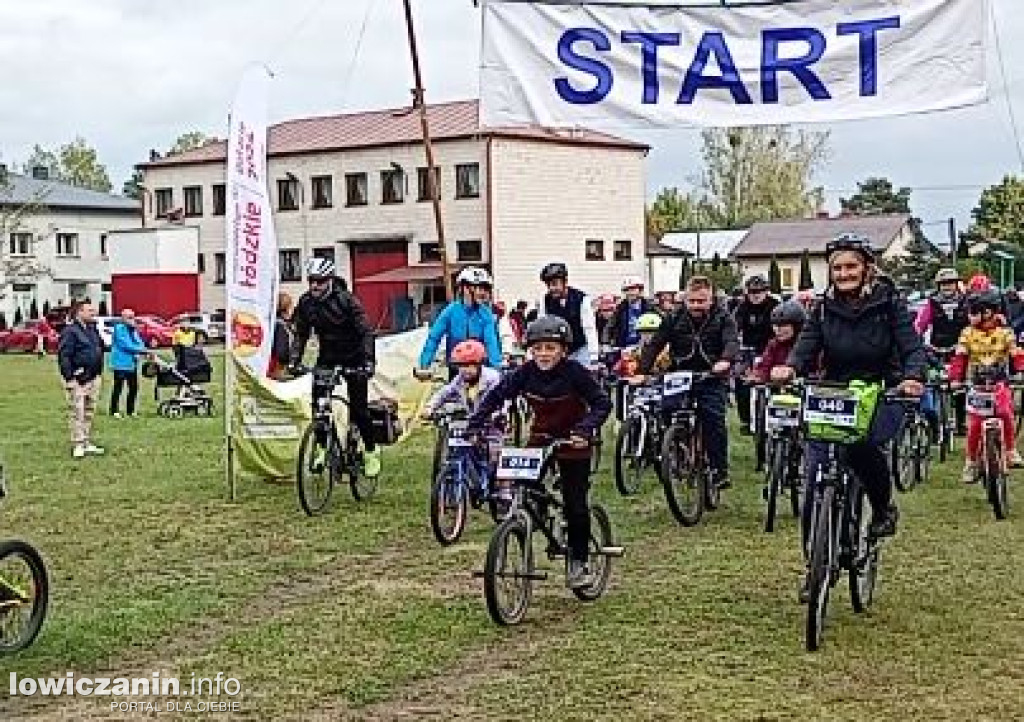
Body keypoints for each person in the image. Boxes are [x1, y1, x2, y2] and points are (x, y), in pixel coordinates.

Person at [772, 234, 925, 586]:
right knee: (814, 472)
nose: (843, 274)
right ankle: (816, 564)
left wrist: (913, 377)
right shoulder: (823, 308)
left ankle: (883, 509)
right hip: (835, 391)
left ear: (867, 268)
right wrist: (791, 367)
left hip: (883, 390)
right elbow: (806, 345)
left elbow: (912, 348)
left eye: (850, 266)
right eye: (837, 268)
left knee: (862, 447)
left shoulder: (890, 304)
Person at [468, 316, 611, 588]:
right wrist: (475, 425)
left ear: (564, 350)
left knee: (575, 503)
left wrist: (584, 430)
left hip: (573, 441)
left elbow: (602, 404)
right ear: (530, 350)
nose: (543, 354)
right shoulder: (524, 373)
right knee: (523, 487)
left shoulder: (576, 374)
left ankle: (579, 561)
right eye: (538, 348)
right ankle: (531, 519)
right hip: (541, 438)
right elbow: (495, 396)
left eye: (550, 348)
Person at [635, 276, 738, 488]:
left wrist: (725, 360)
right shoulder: (673, 317)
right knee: (666, 411)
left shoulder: (723, 317)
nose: (696, 306)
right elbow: (654, 345)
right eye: (692, 301)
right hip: (680, 375)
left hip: (711, 375)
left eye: (701, 301)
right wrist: (642, 371)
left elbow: (731, 341)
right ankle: (675, 450)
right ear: (685, 300)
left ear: (711, 299)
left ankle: (719, 470)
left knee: (713, 419)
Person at [289, 257, 382, 478]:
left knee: (359, 409)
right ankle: (321, 447)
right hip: (328, 357)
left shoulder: (347, 301)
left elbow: (365, 332)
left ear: (329, 280)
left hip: (355, 357)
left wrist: (368, 362)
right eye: (311, 281)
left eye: (319, 281)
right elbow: (301, 334)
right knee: (319, 405)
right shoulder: (306, 303)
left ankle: (370, 449)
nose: (314, 286)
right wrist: (295, 360)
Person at [948, 289, 1024, 483]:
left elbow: (1015, 354)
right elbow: (960, 358)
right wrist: (956, 379)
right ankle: (971, 462)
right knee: (974, 425)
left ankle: (1010, 449)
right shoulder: (967, 333)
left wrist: (1020, 371)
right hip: (977, 386)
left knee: (1006, 413)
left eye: (974, 312)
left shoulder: (1005, 333)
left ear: (989, 312)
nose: (970, 316)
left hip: (1000, 383)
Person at [421, 340, 509, 505]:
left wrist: (497, 415)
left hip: (492, 422)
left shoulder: (492, 378)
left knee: (496, 456)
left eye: (470, 365)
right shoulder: (459, 380)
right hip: (471, 422)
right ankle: (453, 489)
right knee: (458, 449)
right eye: (461, 366)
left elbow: (501, 399)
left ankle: (503, 492)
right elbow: (444, 393)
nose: (465, 370)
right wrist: (430, 408)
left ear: (480, 364)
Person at [417, 267, 501, 378]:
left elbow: (491, 342)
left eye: (485, 289)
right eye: (479, 288)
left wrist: (496, 367)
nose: (483, 293)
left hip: (479, 370)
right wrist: (424, 365)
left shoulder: (486, 314)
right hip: (456, 369)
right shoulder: (450, 311)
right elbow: (434, 338)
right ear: (465, 288)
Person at [915, 267, 969, 435]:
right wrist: (915, 338)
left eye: (950, 284)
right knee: (933, 383)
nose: (947, 287)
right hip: (936, 349)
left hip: (960, 349)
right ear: (938, 286)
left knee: (959, 386)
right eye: (943, 284)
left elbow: (971, 323)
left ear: (956, 284)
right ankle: (935, 424)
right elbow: (920, 324)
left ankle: (961, 422)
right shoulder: (932, 303)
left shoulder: (965, 302)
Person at [57, 301, 106, 459]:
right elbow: (64, 355)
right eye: (89, 310)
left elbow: (100, 347)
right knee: (77, 410)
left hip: (93, 376)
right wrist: (70, 378)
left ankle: (86, 441)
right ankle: (78, 443)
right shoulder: (70, 331)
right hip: (77, 379)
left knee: (89, 411)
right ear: (79, 313)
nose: (93, 312)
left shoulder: (92, 329)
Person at [732, 275, 779, 434]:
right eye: (752, 292)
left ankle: (772, 418)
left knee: (773, 382)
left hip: (770, 349)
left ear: (767, 291)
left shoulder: (775, 305)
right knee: (740, 380)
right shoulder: (742, 307)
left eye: (760, 291)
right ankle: (745, 420)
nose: (756, 295)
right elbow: (734, 327)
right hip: (748, 349)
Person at [536, 262, 599, 365]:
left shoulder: (582, 299)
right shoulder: (545, 300)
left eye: (555, 284)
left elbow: (589, 328)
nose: (552, 288)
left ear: (565, 282)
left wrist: (593, 355)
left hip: (580, 349)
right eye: (549, 285)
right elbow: (541, 326)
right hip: (558, 350)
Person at [108, 308, 150, 418]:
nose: (132, 319)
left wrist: (142, 349)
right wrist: (141, 350)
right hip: (120, 363)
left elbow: (139, 342)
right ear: (123, 318)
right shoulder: (119, 329)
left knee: (133, 387)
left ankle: (130, 411)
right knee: (118, 387)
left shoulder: (133, 330)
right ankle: (114, 410)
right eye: (129, 317)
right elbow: (125, 344)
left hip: (132, 363)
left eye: (133, 317)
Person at [605, 276, 656, 350]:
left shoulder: (650, 307)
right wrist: (606, 343)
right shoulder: (621, 308)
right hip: (624, 347)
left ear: (640, 290)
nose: (629, 293)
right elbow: (609, 326)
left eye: (632, 289)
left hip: (645, 347)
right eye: (626, 290)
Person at [612, 312, 670, 377]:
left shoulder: (667, 352)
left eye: (651, 332)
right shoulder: (634, 352)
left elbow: (665, 373)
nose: (646, 336)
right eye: (643, 332)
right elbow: (618, 371)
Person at [269, 292, 295, 380]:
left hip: (277, 366)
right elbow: (281, 350)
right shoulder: (280, 325)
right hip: (278, 368)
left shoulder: (280, 324)